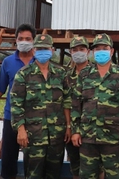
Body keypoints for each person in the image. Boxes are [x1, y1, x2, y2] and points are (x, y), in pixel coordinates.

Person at [71, 33, 119, 179]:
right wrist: (75, 130)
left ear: (111, 51)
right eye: (98, 48)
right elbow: (76, 105)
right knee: (87, 175)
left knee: (115, 175)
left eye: (105, 48)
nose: (101, 51)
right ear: (93, 52)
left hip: (113, 137)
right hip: (88, 136)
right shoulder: (84, 74)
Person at [10, 34, 72, 179]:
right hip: (33, 136)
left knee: (54, 174)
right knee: (33, 175)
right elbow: (16, 104)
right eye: (39, 48)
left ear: (52, 50)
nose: (42, 51)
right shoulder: (24, 74)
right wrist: (21, 130)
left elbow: (67, 101)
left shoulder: (61, 74)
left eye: (46, 48)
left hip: (56, 135)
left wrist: (69, 126)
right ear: (33, 51)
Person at [0, 24, 36, 179]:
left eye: (28, 39)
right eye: (21, 39)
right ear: (16, 41)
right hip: (11, 117)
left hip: (35, 118)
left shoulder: (40, 61)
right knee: (8, 160)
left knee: (33, 161)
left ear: (34, 41)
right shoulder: (7, 62)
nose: (24, 41)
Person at [64, 36, 101, 179]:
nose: (78, 52)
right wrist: (69, 127)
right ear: (70, 52)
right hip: (73, 128)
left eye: (82, 49)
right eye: (75, 50)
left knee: (98, 168)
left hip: (94, 129)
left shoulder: (98, 72)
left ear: (88, 51)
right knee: (76, 165)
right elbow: (66, 103)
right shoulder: (66, 76)